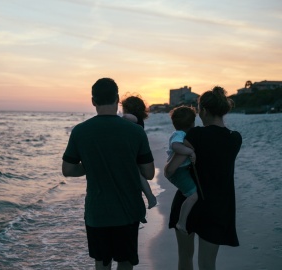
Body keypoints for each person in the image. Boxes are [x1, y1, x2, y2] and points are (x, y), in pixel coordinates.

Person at [62, 78, 155, 270]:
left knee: (102, 263)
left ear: (93, 101)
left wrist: (91, 163)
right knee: (125, 262)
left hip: (98, 211)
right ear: (117, 98)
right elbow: (148, 172)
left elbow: (68, 170)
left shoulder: (80, 131)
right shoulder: (136, 131)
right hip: (128, 210)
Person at [164, 86, 242, 270]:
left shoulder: (195, 135)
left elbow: (170, 170)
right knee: (208, 264)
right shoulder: (235, 139)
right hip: (218, 207)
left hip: (189, 202)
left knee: (185, 257)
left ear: (204, 111)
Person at [120, 94, 157, 209]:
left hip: (134, 149)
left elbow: (129, 118)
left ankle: (150, 196)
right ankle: (150, 196)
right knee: (138, 174)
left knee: (137, 173)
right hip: (135, 148)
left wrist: (118, 118)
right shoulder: (139, 119)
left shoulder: (134, 118)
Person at [166, 106, 198, 234]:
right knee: (193, 196)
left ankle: (182, 221)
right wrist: (190, 151)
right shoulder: (179, 134)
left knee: (192, 195)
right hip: (178, 172)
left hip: (180, 170)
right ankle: (181, 222)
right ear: (192, 122)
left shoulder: (181, 133)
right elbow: (175, 145)